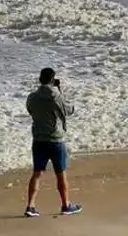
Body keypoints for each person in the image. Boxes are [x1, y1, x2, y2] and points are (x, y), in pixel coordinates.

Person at [23, 67, 82, 217]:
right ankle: (66, 204)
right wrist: (60, 91)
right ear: (52, 80)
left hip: (39, 140)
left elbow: (30, 110)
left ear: (40, 79)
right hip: (56, 140)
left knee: (37, 173)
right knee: (61, 174)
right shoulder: (56, 96)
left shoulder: (32, 97)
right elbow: (69, 110)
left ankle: (30, 206)